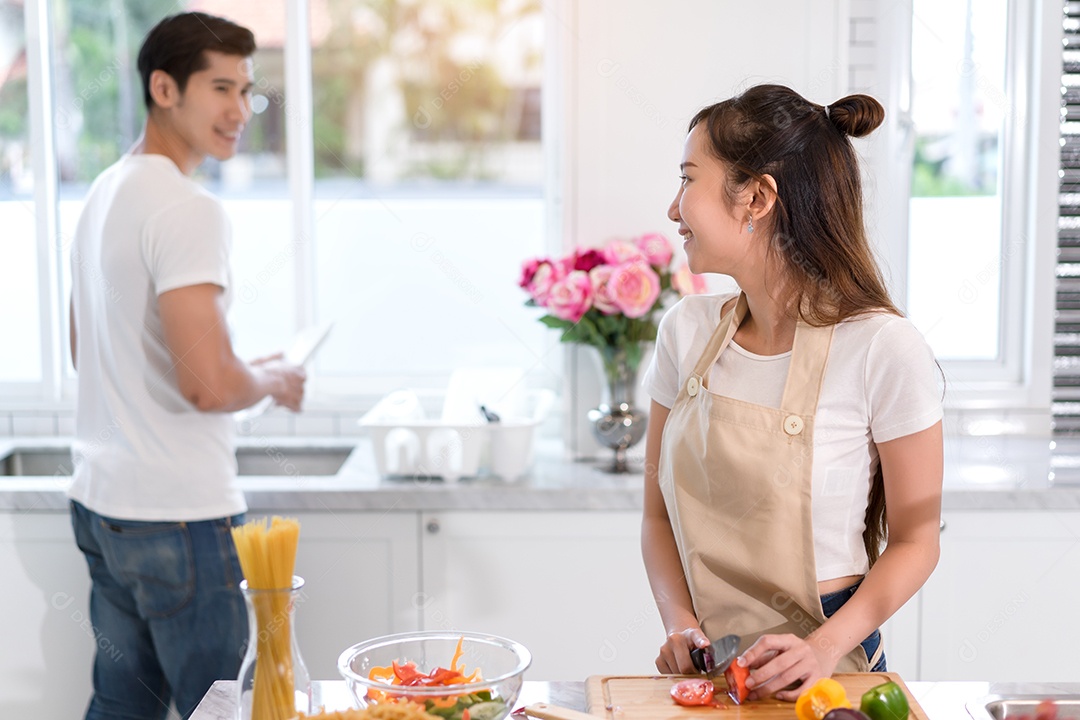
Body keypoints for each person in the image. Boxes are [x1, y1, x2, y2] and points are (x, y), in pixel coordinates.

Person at [641, 84, 943, 700]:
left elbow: (918, 538)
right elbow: (655, 515)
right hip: (716, 677)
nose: (674, 210)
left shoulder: (882, 347)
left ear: (756, 197)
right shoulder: (685, 333)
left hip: (835, 674)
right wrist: (681, 626)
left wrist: (824, 647)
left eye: (688, 181)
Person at [67, 12, 306, 719]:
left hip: (104, 507)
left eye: (246, 90)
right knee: (226, 709)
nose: (239, 110)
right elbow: (206, 387)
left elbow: (96, 350)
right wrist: (270, 381)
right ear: (164, 87)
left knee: (121, 709)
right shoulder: (187, 208)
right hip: (179, 518)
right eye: (220, 88)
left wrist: (240, 365)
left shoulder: (104, 190)